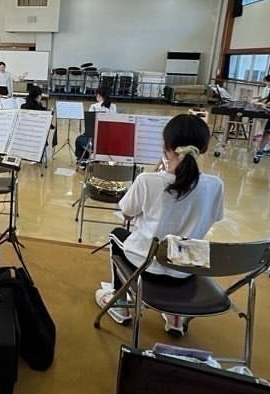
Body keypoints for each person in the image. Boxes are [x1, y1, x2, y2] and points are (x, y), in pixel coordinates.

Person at [95, 113, 225, 334]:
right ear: (203, 149)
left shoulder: (148, 180)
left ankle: (121, 303)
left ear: (165, 146)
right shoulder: (216, 185)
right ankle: (176, 316)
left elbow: (126, 213)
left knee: (117, 234)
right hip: (186, 270)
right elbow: (213, 217)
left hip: (146, 268)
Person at [74, 89, 118, 164]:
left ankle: (82, 161)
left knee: (79, 139)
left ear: (99, 96)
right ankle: (95, 157)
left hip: (97, 141)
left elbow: (89, 125)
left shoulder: (94, 107)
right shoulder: (113, 107)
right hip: (110, 141)